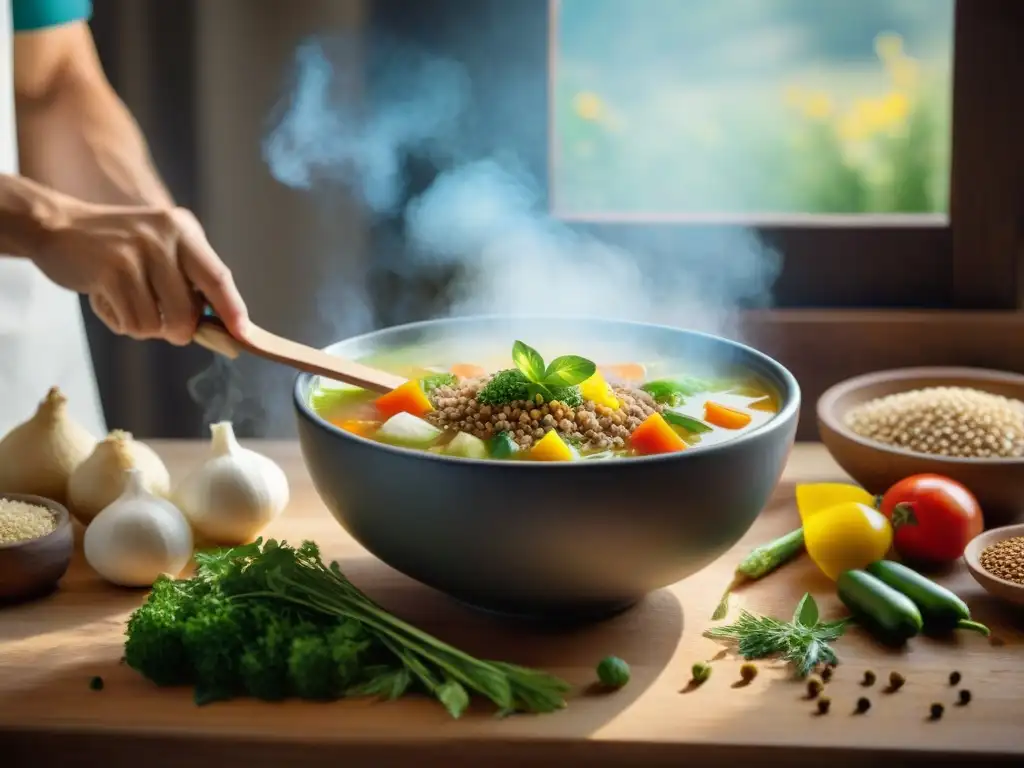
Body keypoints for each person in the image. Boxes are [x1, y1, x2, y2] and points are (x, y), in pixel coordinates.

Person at [0, 0, 249, 437]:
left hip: (27, 383)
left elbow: (49, 79)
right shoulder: (46, 224)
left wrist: (146, 227)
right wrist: (44, 222)